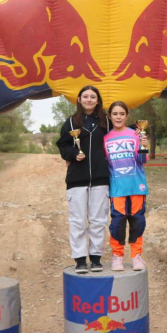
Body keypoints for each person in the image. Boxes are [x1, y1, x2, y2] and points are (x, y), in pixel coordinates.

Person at [56, 86, 111, 274]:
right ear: (79, 99)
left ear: (98, 100)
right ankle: (80, 259)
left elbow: (116, 138)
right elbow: (63, 145)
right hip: (76, 179)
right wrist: (73, 154)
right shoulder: (71, 122)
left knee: (98, 220)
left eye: (92, 97)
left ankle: (95, 258)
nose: (89, 99)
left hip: (101, 178)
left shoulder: (106, 122)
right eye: (85, 96)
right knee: (78, 221)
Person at [103, 101, 150, 271]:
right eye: (115, 114)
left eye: (122, 114)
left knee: (138, 222)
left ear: (127, 116)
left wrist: (144, 146)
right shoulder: (105, 138)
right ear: (110, 116)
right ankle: (117, 256)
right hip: (117, 188)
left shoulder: (135, 135)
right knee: (117, 223)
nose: (118, 117)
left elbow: (142, 160)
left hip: (136, 186)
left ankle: (136, 256)